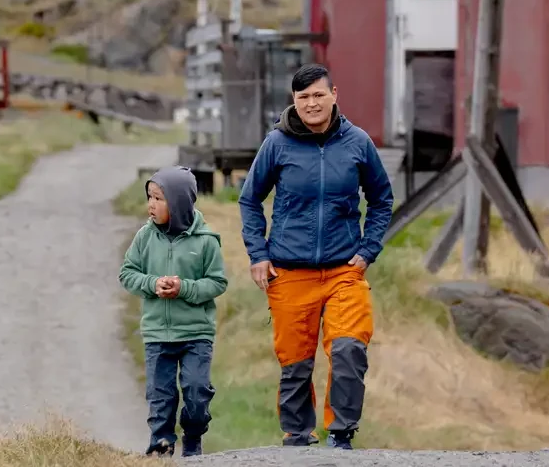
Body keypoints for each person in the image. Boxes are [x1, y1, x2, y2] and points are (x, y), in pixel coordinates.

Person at [238, 63, 395, 450]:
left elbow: (381, 200)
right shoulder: (276, 144)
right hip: (290, 270)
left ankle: (341, 432)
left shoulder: (358, 142)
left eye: (318, 95)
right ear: (294, 101)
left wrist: (368, 250)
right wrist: (258, 254)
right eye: (303, 97)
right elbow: (249, 200)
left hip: (345, 269)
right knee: (295, 361)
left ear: (334, 95)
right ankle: (297, 433)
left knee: (348, 348)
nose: (311, 103)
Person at [119, 166, 229, 458]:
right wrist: (152, 283)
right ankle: (161, 445)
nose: (150, 205)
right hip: (158, 333)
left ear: (179, 202)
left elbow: (217, 282)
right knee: (160, 396)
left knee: (196, 393)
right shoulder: (144, 237)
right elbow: (127, 273)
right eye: (149, 197)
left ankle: (193, 438)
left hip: (196, 333)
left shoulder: (206, 241)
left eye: (158, 198)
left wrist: (185, 288)